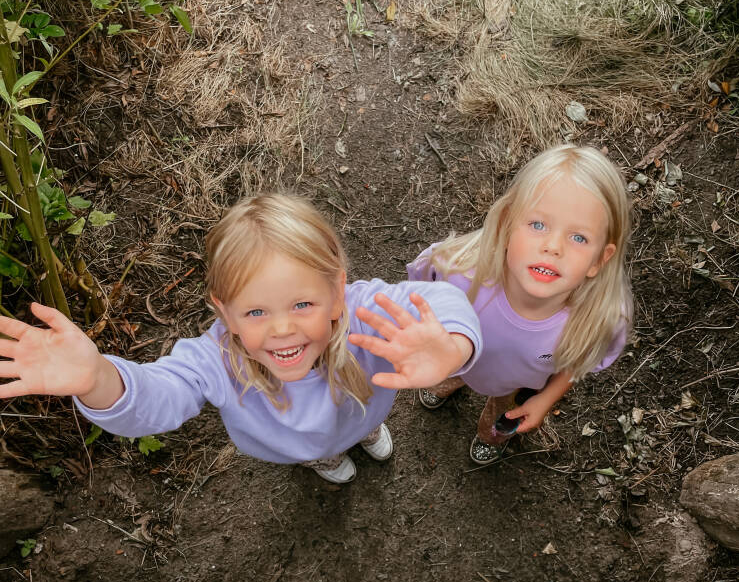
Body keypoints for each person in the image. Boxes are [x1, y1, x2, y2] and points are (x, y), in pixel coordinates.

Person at [0, 194, 482, 484]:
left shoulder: (364, 313)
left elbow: (440, 302)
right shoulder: (213, 360)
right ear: (224, 312)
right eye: (255, 311)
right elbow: (158, 399)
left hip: (363, 410)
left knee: (360, 424)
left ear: (337, 293)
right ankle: (323, 457)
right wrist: (98, 378)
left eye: (302, 304)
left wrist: (453, 346)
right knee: (317, 448)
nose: (280, 329)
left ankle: (365, 433)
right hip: (291, 445)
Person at [407, 144, 632, 464]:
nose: (553, 247)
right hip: (454, 359)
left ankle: (491, 434)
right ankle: (449, 382)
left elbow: (578, 361)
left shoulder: (598, 319)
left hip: (512, 387)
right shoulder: (455, 272)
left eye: (578, 237)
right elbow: (416, 297)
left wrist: (546, 399)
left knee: (503, 415)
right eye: (538, 224)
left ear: (600, 259)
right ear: (506, 224)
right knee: (452, 368)